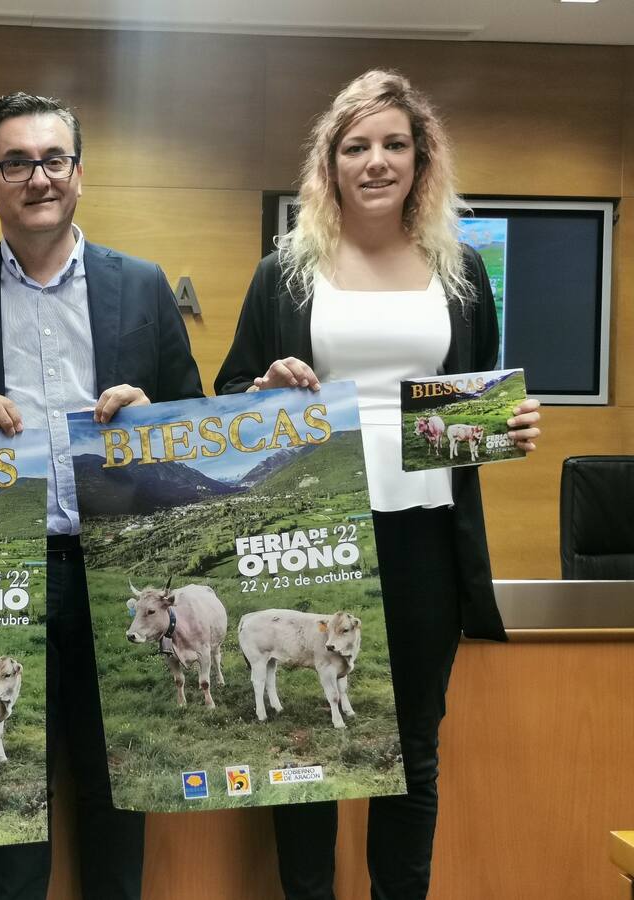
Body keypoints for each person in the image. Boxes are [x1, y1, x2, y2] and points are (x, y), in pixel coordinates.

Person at [215, 70, 542, 900]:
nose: (376, 160)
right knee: (308, 754)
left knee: (413, 746)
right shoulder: (285, 271)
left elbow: (476, 398)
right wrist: (260, 392)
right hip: (314, 531)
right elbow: (226, 398)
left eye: (395, 143)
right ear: (329, 164)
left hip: (423, 533)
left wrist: (507, 426)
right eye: (356, 145)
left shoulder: (461, 269)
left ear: (421, 157)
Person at [0, 92, 204, 900]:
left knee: (116, 781)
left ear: (79, 174)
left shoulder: (141, 286)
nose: (37, 177)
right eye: (16, 162)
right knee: (12, 792)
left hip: (114, 569)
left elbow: (198, 414)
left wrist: (153, 417)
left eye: (53, 159)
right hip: (5, 570)